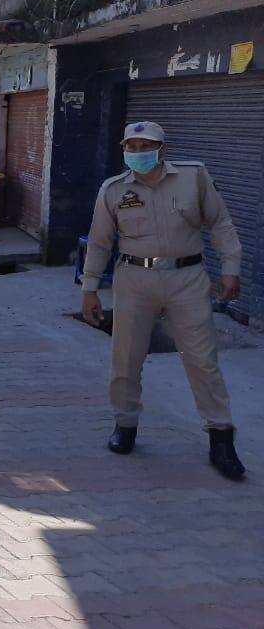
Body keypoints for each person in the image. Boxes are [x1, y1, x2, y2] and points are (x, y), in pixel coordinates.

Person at [81, 121, 245, 480]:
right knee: (126, 357)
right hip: (134, 279)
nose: (138, 153)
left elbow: (220, 224)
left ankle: (221, 438)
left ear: (162, 149)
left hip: (187, 279)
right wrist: (90, 288)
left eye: (146, 146)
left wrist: (230, 267)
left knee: (202, 359)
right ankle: (125, 425)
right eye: (132, 147)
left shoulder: (194, 177)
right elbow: (99, 242)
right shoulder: (112, 190)